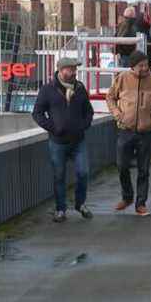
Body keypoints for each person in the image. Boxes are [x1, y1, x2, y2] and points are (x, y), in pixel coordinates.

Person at [32, 57, 94, 223]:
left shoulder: (80, 88)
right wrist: (53, 127)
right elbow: (37, 113)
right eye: (70, 69)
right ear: (60, 70)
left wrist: (83, 125)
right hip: (57, 141)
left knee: (83, 173)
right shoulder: (48, 89)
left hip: (78, 140)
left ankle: (80, 204)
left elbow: (89, 111)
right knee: (59, 176)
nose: (73, 72)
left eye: (75, 69)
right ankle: (60, 209)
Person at [106, 51, 151, 216]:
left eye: (146, 65)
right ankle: (127, 197)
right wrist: (118, 114)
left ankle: (141, 203)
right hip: (125, 130)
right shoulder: (122, 79)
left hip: (146, 132)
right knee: (122, 165)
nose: (144, 68)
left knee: (143, 169)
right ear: (133, 66)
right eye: (141, 65)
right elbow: (110, 98)